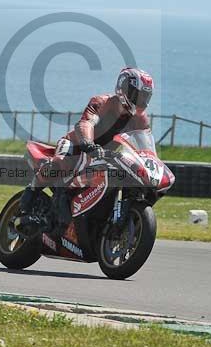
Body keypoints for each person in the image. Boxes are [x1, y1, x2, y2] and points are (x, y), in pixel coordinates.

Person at [19, 67, 154, 228]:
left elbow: (145, 144)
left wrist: (149, 160)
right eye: (138, 95)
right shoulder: (102, 102)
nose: (141, 101)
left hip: (103, 154)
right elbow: (86, 122)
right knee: (60, 164)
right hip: (76, 145)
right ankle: (29, 197)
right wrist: (88, 143)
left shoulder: (140, 119)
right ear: (123, 88)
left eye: (145, 96)